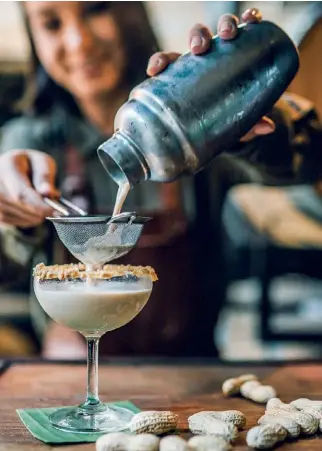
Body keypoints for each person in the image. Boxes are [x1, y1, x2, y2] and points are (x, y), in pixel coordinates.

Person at [0, 2, 287, 358]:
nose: (79, 42)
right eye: (51, 23)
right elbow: (8, 259)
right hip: (70, 378)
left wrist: (248, 121)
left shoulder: (194, 128)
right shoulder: (30, 141)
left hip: (187, 376)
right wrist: (15, 215)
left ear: (130, 11)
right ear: (34, 38)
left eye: (96, 9)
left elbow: (301, 172)